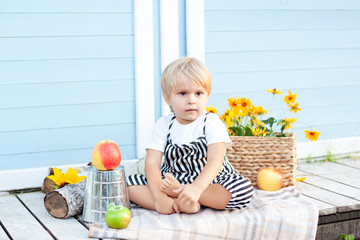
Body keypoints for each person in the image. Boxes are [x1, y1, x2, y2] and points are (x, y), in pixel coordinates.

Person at [126, 57, 253, 214]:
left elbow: (216, 159)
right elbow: (152, 164)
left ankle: (184, 195)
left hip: (209, 182)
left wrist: (196, 188)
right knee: (126, 185)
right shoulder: (164, 124)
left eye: (198, 93)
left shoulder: (211, 121)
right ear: (167, 98)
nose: (191, 100)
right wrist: (159, 197)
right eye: (183, 93)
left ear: (207, 95)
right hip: (171, 181)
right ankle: (173, 202)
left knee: (243, 189)